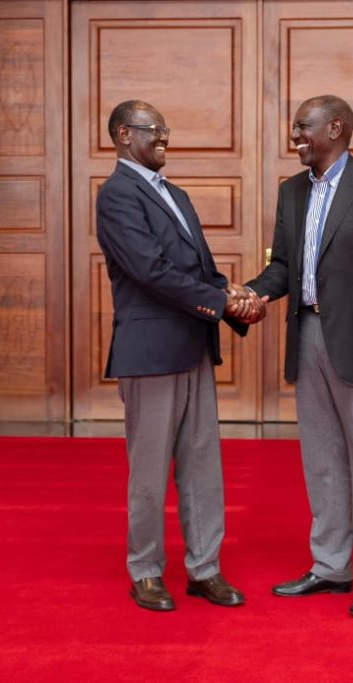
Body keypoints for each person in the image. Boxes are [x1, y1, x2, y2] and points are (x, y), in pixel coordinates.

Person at [245, 95, 353, 616]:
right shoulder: (291, 192)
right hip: (308, 337)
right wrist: (252, 294)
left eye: (304, 127)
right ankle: (329, 567)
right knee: (321, 461)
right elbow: (283, 266)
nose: (294, 135)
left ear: (336, 127)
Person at [95, 99, 261, 612]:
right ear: (124, 135)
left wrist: (234, 298)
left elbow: (198, 268)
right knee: (148, 471)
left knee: (202, 466)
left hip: (193, 345)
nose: (164, 138)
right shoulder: (116, 195)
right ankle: (145, 570)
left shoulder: (177, 194)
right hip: (149, 353)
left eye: (166, 129)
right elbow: (150, 271)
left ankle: (204, 569)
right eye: (154, 130)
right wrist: (220, 302)